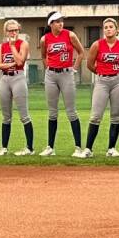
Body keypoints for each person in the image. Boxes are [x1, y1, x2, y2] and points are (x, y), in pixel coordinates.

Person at [39, 11, 86, 157]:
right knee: (52, 112)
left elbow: (81, 52)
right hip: (51, 74)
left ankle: (78, 147)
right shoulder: (44, 39)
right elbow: (43, 56)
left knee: (71, 111)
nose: (61, 24)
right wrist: (48, 69)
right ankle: (50, 147)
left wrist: (74, 69)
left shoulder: (69, 35)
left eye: (61, 21)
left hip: (66, 73)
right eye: (57, 21)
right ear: (51, 24)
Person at [83, 18, 119, 158]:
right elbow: (90, 64)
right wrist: (101, 72)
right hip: (102, 81)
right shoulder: (97, 45)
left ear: (117, 30)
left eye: (111, 27)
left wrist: (118, 75)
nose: (108, 29)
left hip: (118, 81)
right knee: (95, 116)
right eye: (106, 27)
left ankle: (111, 148)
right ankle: (88, 149)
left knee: (115, 116)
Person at [0, 19, 33, 156]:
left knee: (24, 115)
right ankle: (4, 147)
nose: (13, 33)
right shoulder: (0, 46)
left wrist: (12, 47)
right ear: (6, 31)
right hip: (5, 79)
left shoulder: (23, 44)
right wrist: (11, 64)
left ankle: (29, 148)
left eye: (16, 30)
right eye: (10, 30)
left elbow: (20, 61)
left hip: (18, 77)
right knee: (6, 116)